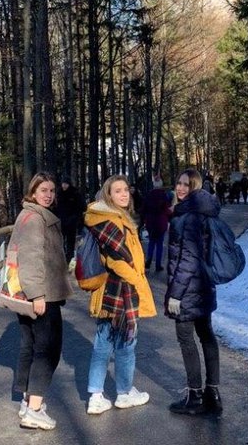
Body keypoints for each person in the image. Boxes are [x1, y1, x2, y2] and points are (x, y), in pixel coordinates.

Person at [83, 175, 157, 415]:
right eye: (118, 191)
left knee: (103, 343)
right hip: (121, 290)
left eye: (126, 190)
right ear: (108, 195)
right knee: (125, 344)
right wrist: (137, 281)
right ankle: (123, 393)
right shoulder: (111, 221)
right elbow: (116, 260)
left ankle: (97, 395)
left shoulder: (111, 218)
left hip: (110, 291)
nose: (124, 194)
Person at [13, 172, 74, 430]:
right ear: (33, 192)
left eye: (51, 190)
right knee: (47, 351)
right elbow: (30, 259)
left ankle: (28, 401)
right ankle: (34, 410)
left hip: (32, 293)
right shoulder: (36, 219)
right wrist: (37, 294)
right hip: (41, 294)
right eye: (43, 190)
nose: (48, 195)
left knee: (31, 347)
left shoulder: (29, 214)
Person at [164, 168, 222, 416]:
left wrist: (175, 294)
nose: (180, 188)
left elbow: (188, 258)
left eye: (186, 185)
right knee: (206, 335)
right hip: (204, 285)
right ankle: (213, 394)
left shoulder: (186, 216)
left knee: (186, 339)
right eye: (178, 183)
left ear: (195, 187)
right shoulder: (202, 212)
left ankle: (195, 395)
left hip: (187, 289)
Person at [142, 176, 172, 272]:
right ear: (161, 185)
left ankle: (148, 261)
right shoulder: (164, 196)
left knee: (151, 242)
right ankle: (158, 265)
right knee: (159, 244)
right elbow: (166, 210)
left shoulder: (148, 195)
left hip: (150, 222)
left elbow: (144, 209)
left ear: (154, 185)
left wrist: (144, 220)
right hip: (161, 222)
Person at [55, 176, 85, 261]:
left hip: (72, 222)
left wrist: (75, 218)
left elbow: (82, 207)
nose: (64, 186)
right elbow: (56, 207)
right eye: (63, 183)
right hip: (61, 221)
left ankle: (69, 259)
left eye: (66, 184)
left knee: (70, 242)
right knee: (60, 241)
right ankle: (61, 258)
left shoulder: (75, 193)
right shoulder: (59, 193)